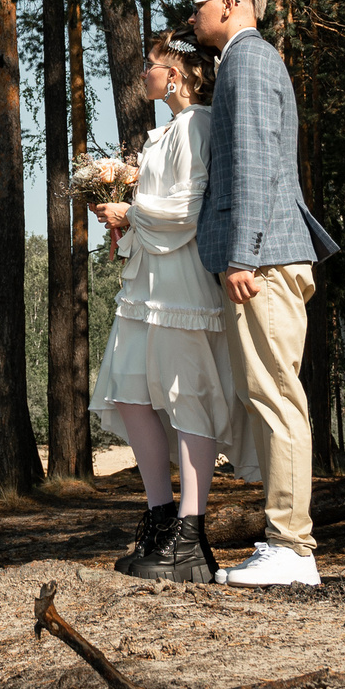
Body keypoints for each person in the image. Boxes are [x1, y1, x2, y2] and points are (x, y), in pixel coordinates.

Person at [189, 0, 341, 588]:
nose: (192, 15)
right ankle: (286, 545)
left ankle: (291, 548)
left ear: (230, 4)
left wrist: (243, 256)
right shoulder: (245, 62)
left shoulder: (247, 63)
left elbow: (252, 168)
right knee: (270, 394)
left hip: (266, 259)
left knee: (277, 396)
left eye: (199, 4)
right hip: (269, 255)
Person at [88, 33, 233, 583]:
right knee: (129, 392)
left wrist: (132, 208)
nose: (144, 75)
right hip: (145, 280)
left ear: (175, 75)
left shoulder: (196, 124)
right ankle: (159, 517)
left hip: (181, 282)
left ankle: (192, 539)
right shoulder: (164, 132)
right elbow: (159, 207)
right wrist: (124, 221)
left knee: (185, 395)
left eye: (151, 67)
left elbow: (190, 206)